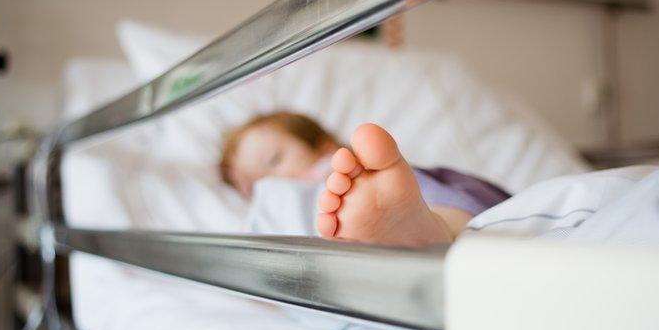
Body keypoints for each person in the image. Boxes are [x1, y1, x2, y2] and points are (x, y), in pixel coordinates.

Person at [219, 111, 510, 246]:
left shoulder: (354, 179)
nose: (272, 183)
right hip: (348, 238)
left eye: (274, 161)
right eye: (253, 186)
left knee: (395, 190)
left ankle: (432, 231)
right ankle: (407, 243)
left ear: (324, 147)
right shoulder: (275, 216)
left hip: (428, 202)